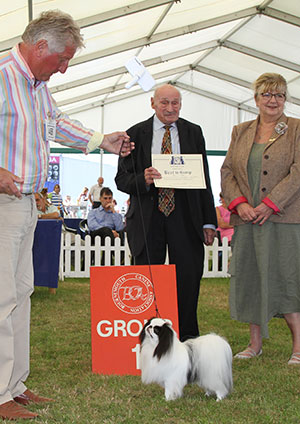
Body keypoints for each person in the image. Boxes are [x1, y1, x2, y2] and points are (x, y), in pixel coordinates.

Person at [0, 10, 133, 421]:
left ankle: (14, 385)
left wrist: (99, 139)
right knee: (2, 298)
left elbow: (53, 123)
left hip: (26, 203)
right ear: (40, 46)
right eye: (61, 60)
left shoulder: (36, 86)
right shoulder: (3, 75)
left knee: (21, 295)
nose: (63, 69)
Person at [115, 83, 217, 341]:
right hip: (149, 216)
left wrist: (208, 221)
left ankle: (188, 337)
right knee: (147, 279)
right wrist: (144, 179)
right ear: (152, 103)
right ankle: (149, 338)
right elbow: (121, 180)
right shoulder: (134, 134)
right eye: (164, 103)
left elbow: (204, 178)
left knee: (188, 276)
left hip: (186, 215)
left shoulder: (194, 132)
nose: (170, 108)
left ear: (180, 105)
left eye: (175, 103)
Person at [221, 72, 300, 364]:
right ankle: (255, 344)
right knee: (250, 277)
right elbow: (227, 172)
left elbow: (298, 173)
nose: (273, 100)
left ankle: (298, 348)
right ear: (255, 99)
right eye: (267, 94)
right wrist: (239, 204)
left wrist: (270, 204)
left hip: (284, 219)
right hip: (247, 220)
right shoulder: (240, 131)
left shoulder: (296, 128)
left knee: (288, 278)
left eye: (279, 95)